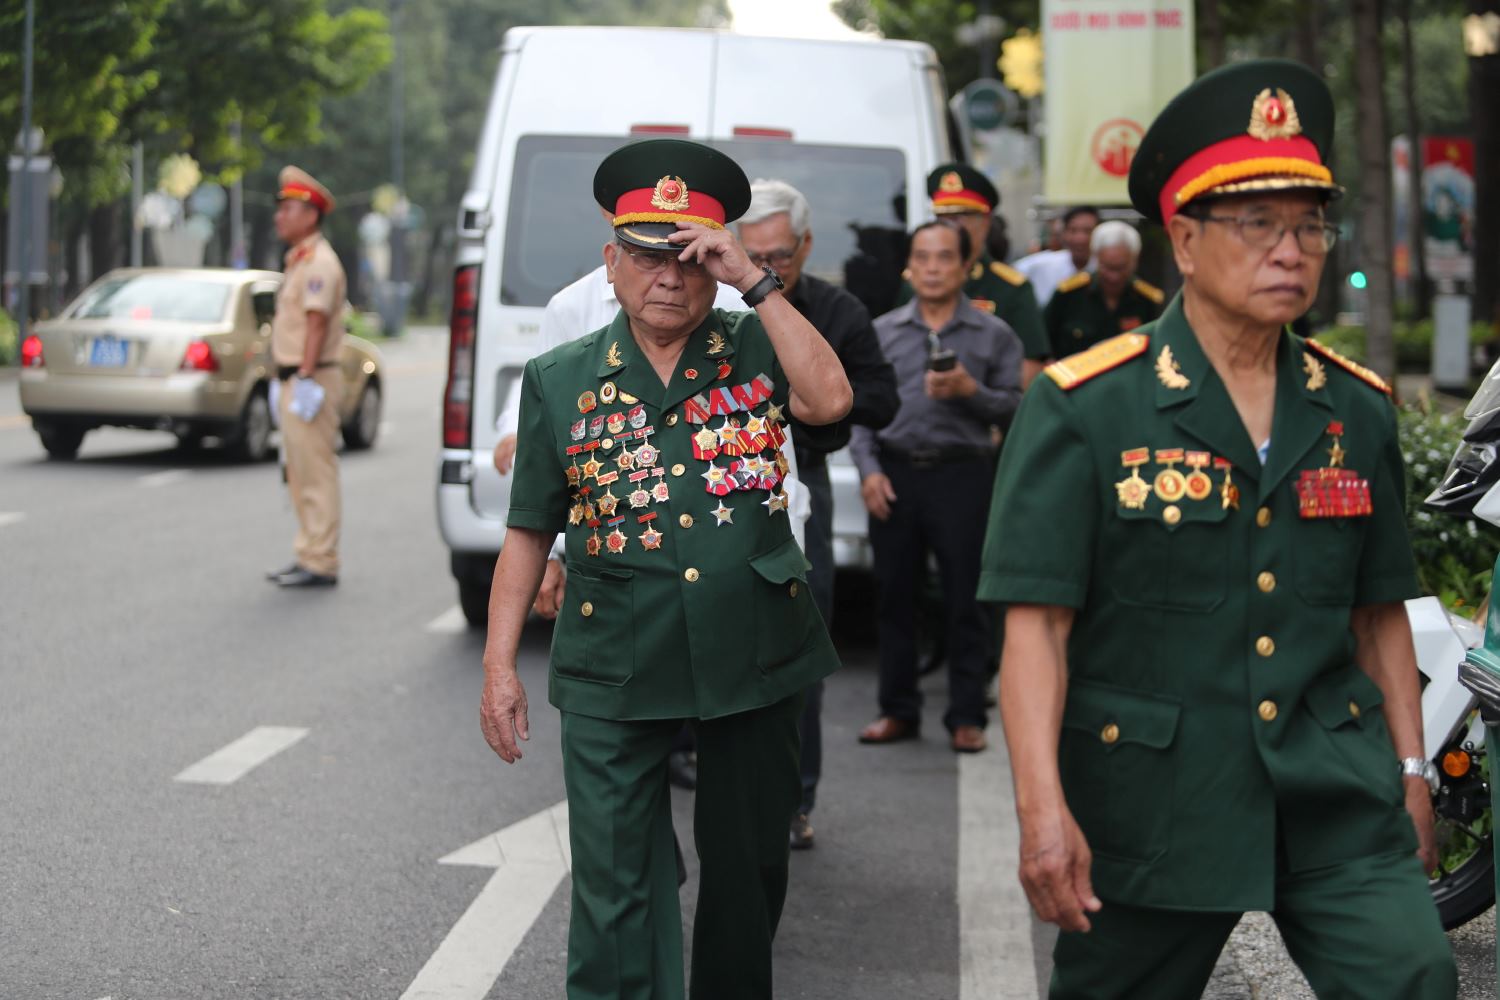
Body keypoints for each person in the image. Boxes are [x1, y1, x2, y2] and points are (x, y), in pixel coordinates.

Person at [978, 59, 1457, 998]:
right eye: (1258, 224)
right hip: (1156, 796)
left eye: (1309, 224)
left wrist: (1411, 769)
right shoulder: (1089, 407)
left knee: (1412, 976)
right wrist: (1042, 810)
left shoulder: (1354, 412)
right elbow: (1037, 629)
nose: (1292, 250)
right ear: (1186, 243)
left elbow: (1377, 613)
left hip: (1331, 786)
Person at [479, 138, 851, 1000]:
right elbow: (529, 530)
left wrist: (754, 279)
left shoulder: (758, 345)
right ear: (611, 262)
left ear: (715, 267)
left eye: (689, 258)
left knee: (748, 868)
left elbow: (830, 402)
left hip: (753, 647)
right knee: (613, 874)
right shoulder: (560, 379)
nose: (669, 278)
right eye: (648, 256)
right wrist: (500, 666)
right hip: (615, 652)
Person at [737, 178, 900, 850]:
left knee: (799, 641)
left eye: (778, 257)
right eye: (752, 257)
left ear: (805, 244)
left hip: (800, 485)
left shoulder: (837, 310)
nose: (764, 271)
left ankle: (796, 797)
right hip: (716, 487)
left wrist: (819, 404)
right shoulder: (710, 305)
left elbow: (882, 398)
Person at [851, 221, 1022, 755]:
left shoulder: (994, 335)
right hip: (896, 473)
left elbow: (1019, 407)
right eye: (921, 257)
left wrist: (972, 392)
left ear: (965, 266)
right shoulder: (883, 331)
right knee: (894, 596)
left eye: (944, 257)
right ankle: (897, 709)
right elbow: (860, 412)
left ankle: (967, 715)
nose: (931, 267)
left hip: (963, 474)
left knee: (965, 598)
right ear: (908, 265)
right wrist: (868, 470)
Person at [265, 166, 347, 588]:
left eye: (289, 209)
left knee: (314, 469)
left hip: (309, 376)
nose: (280, 217)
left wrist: (305, 377)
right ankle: (310, 551)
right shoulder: (300, 260)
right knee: (299, 470)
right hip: (298, 376)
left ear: (311, 215)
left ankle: (320, 557)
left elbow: (315, 324)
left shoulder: (319, 263)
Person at [895, 164, 1049, 386]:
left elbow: (1030, 367)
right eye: (942, 217)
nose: (949, 227)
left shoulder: (1011, 288)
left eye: (960, 217)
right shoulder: (915, 280)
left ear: (985, 222)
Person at [1043, 220, 1163, 358]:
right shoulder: (1068, 295)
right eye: (1107, 267)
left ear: (1134, 261)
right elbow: (1044, 346)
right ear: (1096, 258)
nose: (1114, 277)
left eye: (1121, 268)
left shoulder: (1148, 300)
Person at [1016, 205, 1100, 307]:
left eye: (1088, 231)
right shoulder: (1041, 265)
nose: (1080, 239)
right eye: (1073, 230)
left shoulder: (1106, 269)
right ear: (1063, 233)